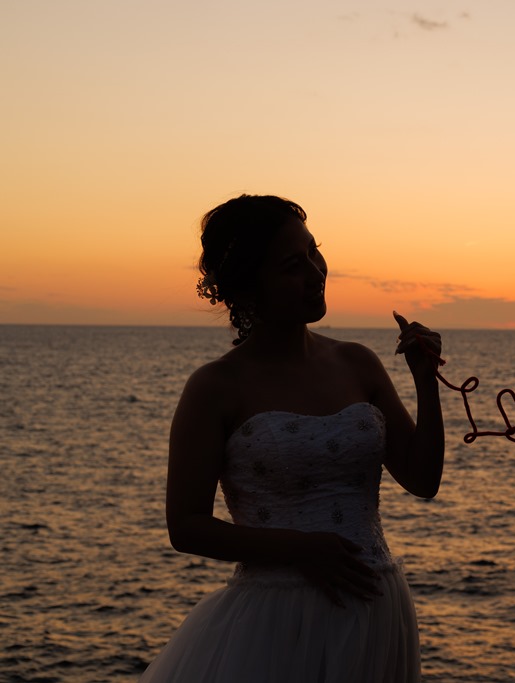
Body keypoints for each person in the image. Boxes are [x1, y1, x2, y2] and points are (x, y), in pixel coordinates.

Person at [139, 194, 444, 682]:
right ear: (249, 286)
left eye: (314, 252)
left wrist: (426, 381)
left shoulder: (357, 362)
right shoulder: (215, 386)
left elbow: (423, 479)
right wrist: (299, 549)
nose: (315, 272)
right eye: (291, 265)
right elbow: (186, 526)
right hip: (276, 622)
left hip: (376, 608)